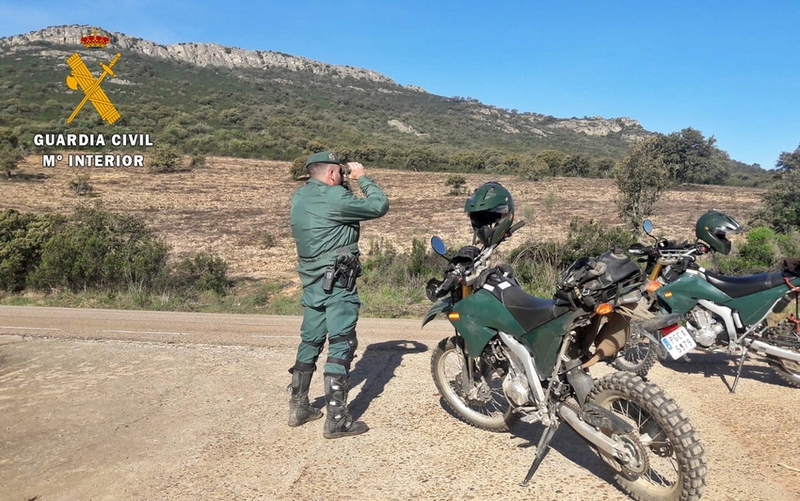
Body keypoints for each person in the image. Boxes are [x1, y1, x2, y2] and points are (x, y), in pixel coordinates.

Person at [287, 151, 389, 439]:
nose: (344, 178)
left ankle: (298, 406)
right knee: (342, 342)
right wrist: (362, 178)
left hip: (312, 279)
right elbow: (378, 205)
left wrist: (344, 181)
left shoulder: (300, 197)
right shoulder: (334, 198)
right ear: (332, 174)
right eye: (341, 174)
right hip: (337, 282)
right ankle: (337, 418)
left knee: (311, 339)